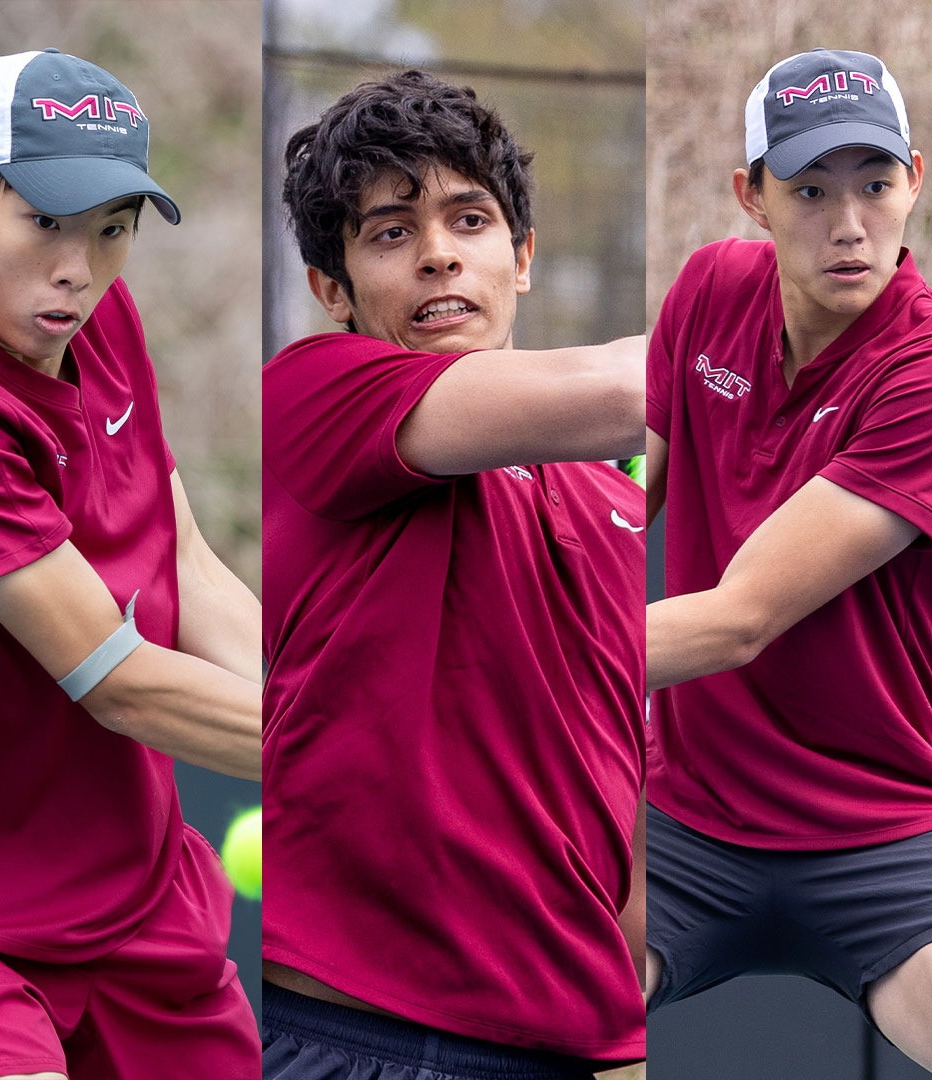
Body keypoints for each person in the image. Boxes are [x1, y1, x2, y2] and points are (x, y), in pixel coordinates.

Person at [643, 49, 932, 1080]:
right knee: (521, 1021)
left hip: (889, 830)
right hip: (678, 821)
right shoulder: (706, 293)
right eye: (810, 189)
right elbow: (625, 502)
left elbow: (738, 620)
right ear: (751, 198)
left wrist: (522, 655)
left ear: (917, 179)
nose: (848, 221)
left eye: (874, 182)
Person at [0, 49, 261, 1079]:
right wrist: (351, 749)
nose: (79, 270)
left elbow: (190, 562)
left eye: (112, 230)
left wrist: (326, 697)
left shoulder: (101, 318)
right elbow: (117, 679)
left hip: (145, 912)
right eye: (44, 221)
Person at [261, 70, 647, 1079]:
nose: (438, 251)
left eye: (468, 219)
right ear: (332, 291)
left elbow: (624, 785)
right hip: (355, 1041)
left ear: (519, 258)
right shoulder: (315, 393)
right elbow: (614, 383)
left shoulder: (617, 507)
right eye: (391, 232)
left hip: (573, 1046)